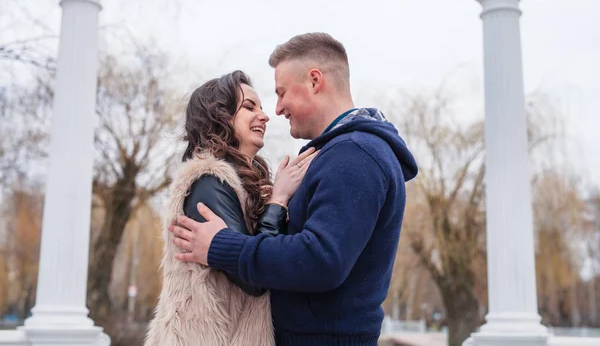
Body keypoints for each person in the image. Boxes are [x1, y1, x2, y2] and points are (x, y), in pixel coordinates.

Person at [171, 32, 418, 345]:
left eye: (281, 92)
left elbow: (321, 260)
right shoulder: (338, 154)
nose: (276, 109)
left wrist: (221, 245)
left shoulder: (353, 155)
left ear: (315, 81)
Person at [145, 70, 317, 346]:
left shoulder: (239, 187)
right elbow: (254, 280)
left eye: (261, 107)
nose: (264, 116)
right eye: (249, 107)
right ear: (221, 116)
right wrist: (279, 200)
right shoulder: (209, 182)